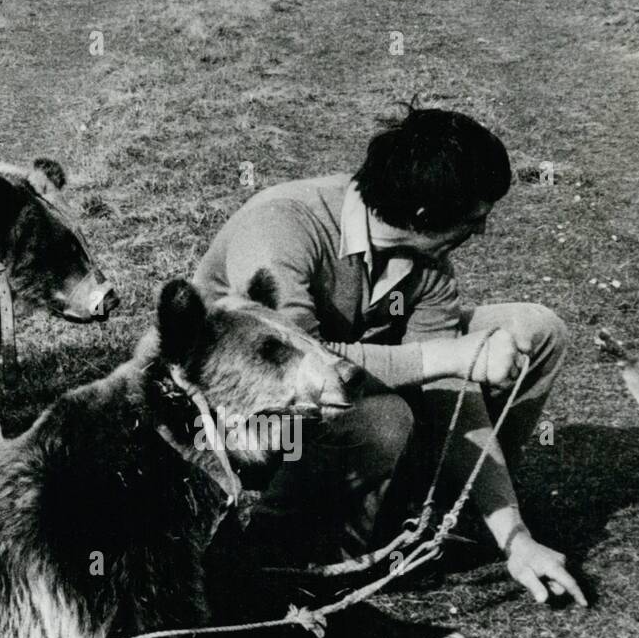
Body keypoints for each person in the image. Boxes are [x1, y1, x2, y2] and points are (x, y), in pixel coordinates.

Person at [193, 107, 587, 607]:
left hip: (340, 399)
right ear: (423, 217)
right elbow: (296, 372)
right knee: (381, 419)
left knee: (536, 329)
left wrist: (514, 535)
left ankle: (452, 508)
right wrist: (448, 355)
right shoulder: (282, 226)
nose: (483, 231)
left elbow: (452, 390)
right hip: (244, 422)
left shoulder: (427, 261)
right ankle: (292, 554)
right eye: (476, 218)